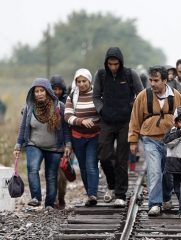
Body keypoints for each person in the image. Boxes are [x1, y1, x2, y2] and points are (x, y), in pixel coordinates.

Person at [128, 65, 181, 216]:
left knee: (168, 173)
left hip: (170, 141)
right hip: (150, 139)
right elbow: (135, 119)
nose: (152, 84)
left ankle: (166, 198)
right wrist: (133, 140)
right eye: (151, 80)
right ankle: (154, 203)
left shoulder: (176, 96)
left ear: (165, 80)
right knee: (154, 172)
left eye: (156, 80)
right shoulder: (143, 96)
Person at [93, 47, 144, 207]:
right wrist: (102, 109)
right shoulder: (101, 75)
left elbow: (141, 94)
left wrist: (133, 108)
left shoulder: (130, 74)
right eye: (110, 64)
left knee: (122, 160)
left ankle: (120, 194)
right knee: (104, 157)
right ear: (106, 63)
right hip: (107, 122)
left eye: (116, 64)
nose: (113, 67)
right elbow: (95, 96)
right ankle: (112, 184)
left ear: (120, 63)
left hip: (125, 122)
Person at [13, 78, 71, 209]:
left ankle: (49, 204)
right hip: (34, 144)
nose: (39, 93)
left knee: (51, 176)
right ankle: (36, 197)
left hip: (55, 147)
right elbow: (23, 128)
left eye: (41, 91)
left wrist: (68, 144)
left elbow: (66, 128)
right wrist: (18, 145)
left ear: (47, 91)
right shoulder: (29, 107)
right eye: (36, 91)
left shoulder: (59, 107)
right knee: (32, 168)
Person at [65, 68, 101, 206]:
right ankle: (89, 193)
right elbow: (67, 116)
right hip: (77, 136)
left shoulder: (97, 94)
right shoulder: (73, 95)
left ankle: (92, 194)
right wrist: (81, 121)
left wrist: (96, 123)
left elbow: (103, 112)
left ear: (89, 81)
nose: (81, 84)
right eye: (78, 81)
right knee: (83, 167)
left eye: (84, 81)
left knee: (91, 164)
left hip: (94, 136)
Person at [50, 74, 69, 209]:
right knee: (51, 173)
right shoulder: (45, 102)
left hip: (64, 143)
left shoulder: (67, 101)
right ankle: (53, 198)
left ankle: (61, 197)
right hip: (49, 144)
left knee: (62, 174)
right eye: (54, 89)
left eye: (59, 89)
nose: (57, 92)